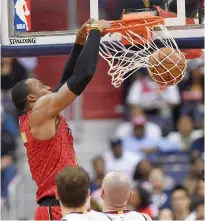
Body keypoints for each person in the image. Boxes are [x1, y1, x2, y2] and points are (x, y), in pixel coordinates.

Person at [11, 19, 111, 220]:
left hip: (63, 204)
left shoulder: (41, 113)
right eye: (41, 85)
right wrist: (96, 32)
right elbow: (82, 76)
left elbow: (65, 81)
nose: (48, 87)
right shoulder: (40, 112)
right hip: (56, 207)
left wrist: (80, 42)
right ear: (31, 98)